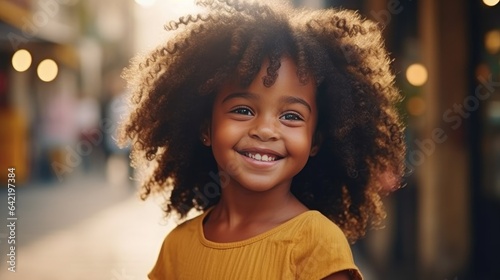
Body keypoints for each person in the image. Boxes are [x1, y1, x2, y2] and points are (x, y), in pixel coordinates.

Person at [118, 0, 406, 279]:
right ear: (206, 128)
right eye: (243, 110)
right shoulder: (176, 248)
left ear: (315, 140)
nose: (265, 130)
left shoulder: (316, 243)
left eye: (291, 116)